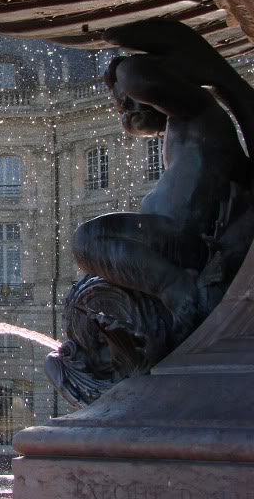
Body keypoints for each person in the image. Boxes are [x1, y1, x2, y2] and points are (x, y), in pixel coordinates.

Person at [73, 20, 254, 338]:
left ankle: (178, 290)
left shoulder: (200, 114)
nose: (125, 111)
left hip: (187, 245)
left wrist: (125, 73)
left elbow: (141, 78)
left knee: (90, 238)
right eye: (120, 106)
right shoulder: (180, 132)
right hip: (181, 244)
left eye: (127, 100)